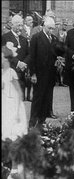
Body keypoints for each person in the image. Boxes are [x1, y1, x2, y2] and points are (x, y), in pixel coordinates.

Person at [2, 44, 28, 178]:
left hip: (13, 109)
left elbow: (19, 92)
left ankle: (15, 167)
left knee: (13, 138)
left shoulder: (11, 72)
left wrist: (18, 112)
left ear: (6, 59)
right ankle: (7, 166)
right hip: (4, 107)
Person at [29, 17, 60, 128]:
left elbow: (56, 55)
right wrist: (33, 73)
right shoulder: (36, 38)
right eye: (49, 28)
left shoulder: (55, 39)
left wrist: (58, 60)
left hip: (50, 75)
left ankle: (41, 122)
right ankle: (32, 123)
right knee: (37, 99)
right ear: (43, 26)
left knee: (46, 99)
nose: (51, 30)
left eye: (52, 28)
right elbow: (32, 57)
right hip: (39, 74)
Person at [2, 14, 30, 101]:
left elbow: (29, 54)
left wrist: (24, 63)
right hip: (10, 72)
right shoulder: (5, 37)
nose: (20, 28)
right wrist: (18, 63)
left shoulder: (24, 39)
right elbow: (6, 54)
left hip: (21, 73)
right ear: (12, 25)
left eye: (21, 25)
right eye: (18, 25)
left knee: (19, 100)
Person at [21, 15, 34, 101]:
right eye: (29, 20)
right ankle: (22, 95)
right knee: (22, 75)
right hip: (23, 54)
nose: (31, 22)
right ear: (25, 21)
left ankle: (29, 95)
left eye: (32, 20)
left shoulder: (34, 30)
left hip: (31, 54)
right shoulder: (21, 29)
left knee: (29, 75)